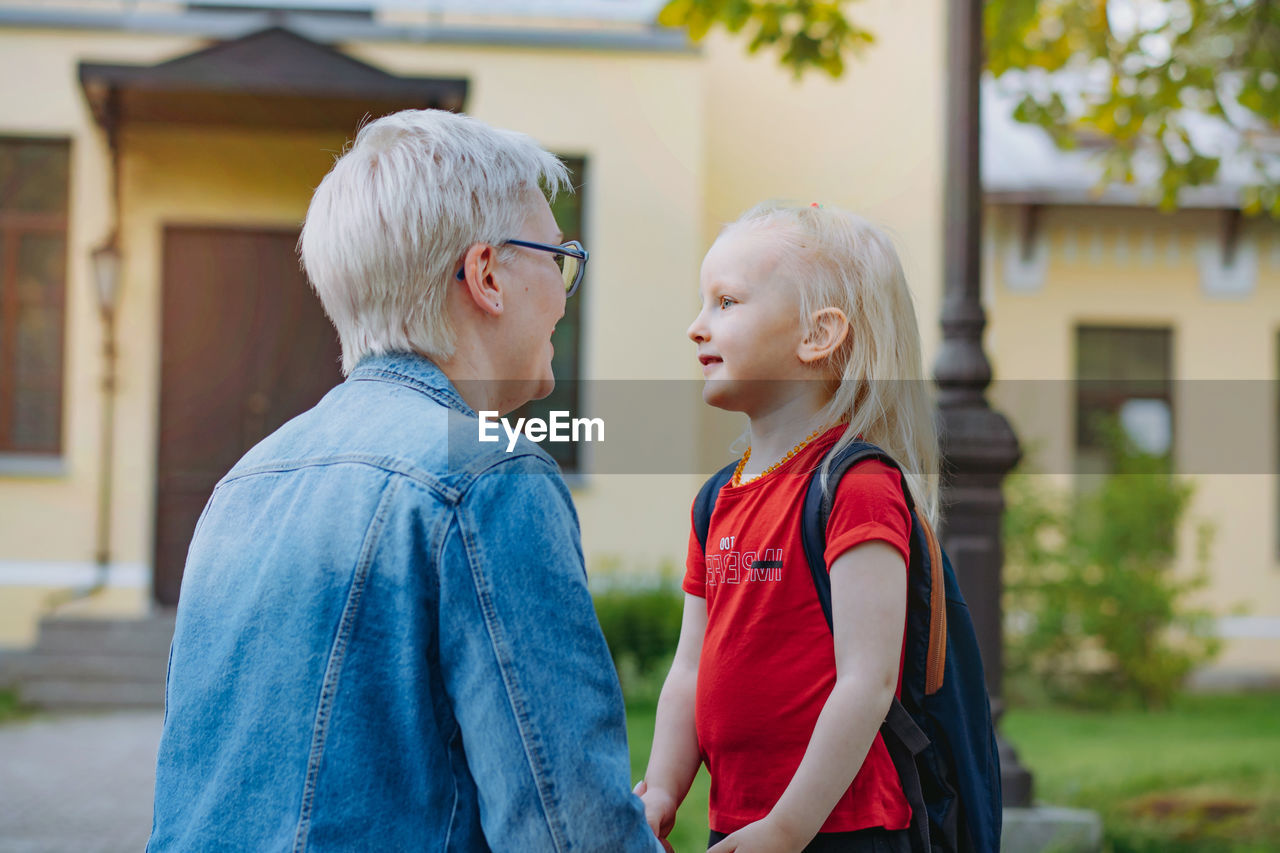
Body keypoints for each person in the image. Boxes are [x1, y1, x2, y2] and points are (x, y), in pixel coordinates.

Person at [148, 109, 663, 852]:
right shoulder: (489, 474)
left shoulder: (243, 483)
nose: (561, 290)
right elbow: (566, 831)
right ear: (486, 274)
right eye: (559, 258)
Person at [636, 202, 939, 853]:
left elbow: (868, 679)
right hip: (746, 822)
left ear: (818, 335)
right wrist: (663, 786)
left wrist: (789, 825)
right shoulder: (716, 499)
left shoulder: (855, 487)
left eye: (726, 302)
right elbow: (690, 666)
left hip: (839, 826)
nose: (696, 327)